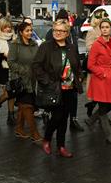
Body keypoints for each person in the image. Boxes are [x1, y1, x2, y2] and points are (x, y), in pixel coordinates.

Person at [32, 19, 83, 157]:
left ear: (67, 33)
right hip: (54, 88)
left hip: (70, 88)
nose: (58, 33)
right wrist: (47, 81)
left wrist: (79, 77)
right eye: (55, 30)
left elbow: (77, 65)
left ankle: (61, 146)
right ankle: (47, 139)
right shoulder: (46, 46)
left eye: (61, 31)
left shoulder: (71, 47)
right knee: (57, 116)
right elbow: (36, 66)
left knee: (64, 118)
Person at [84, 18, 111, 145]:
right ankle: (109, 134)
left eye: (107, 27)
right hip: (100, 79)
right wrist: (103, 73)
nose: (105, 29)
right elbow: (90, 65)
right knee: (103, 107)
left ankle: (91, 120)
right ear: (100, 29)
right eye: (103, 27)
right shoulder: (96, 44)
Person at [8, 22, 42, 142]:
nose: (30, 33)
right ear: (21, 32)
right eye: (27, 30)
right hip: (20, 81)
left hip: (32, 80)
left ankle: (19, 128)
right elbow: (11, 62)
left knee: (23, 105)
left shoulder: (34, 45)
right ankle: (34, 132)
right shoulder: (15, 45)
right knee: (27, 106)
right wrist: (25, 70)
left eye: (31, 30)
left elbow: (38, 60)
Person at [0, 17, 16, 125]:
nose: (8, 29)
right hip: (3, 69)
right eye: (6, 27)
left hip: (14, 68)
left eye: (10, 27)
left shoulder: (14, 37)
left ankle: (11, 116)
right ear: (1, 27)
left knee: (12, 93)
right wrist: (4, 55)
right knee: (8, 92)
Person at [84, 9, 109, 118]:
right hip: (95, 66)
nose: (104, 19)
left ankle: (102, 115)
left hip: (106, 66)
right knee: (96, 91)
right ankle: (93, 109)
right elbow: (88, 47)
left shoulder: (107, 31)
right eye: (102, 17)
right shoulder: (92, 31)